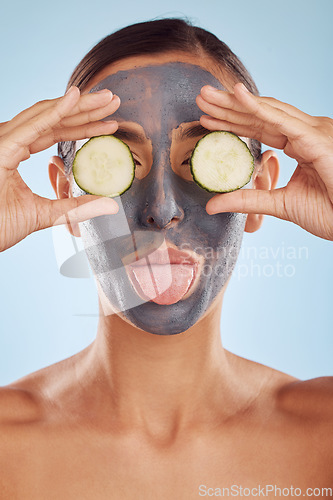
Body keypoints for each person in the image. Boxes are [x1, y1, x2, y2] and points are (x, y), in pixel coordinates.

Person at [0, 18, 332, 499]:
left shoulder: (323, 434)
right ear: (64, 195)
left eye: (204, 161)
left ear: (259, 188)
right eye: (115, 165)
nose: (162, 210)